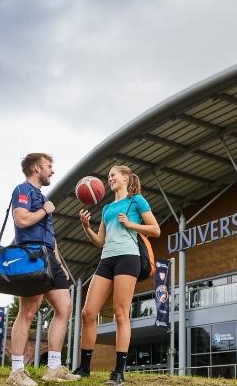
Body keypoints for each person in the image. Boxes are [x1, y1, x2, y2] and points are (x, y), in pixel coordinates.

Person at [74, 165, 161, 385]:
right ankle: (84, 368)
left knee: (121, 314)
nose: (109, 178)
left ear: (126, 178)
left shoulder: (137, 201)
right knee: (88, 313)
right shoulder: (106, 209)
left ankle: (118, 373)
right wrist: (86, 228)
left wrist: (131, 224)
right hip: (106, 259)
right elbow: (101, 241)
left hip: (128, 258)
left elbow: (156, 229)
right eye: (109, 176)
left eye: (113, 175)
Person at [6, 153, 80, 386]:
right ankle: (16, 372)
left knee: (64, 307)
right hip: (31, 256)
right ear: (37, 168)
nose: (52, 170)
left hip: (49, 256)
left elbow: (51, 237)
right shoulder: (22, 190)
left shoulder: (42, 195)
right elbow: (22, 220)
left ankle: (54, 368)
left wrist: (60, 263)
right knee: (28, 311)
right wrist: (45, 210)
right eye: (49, 166)